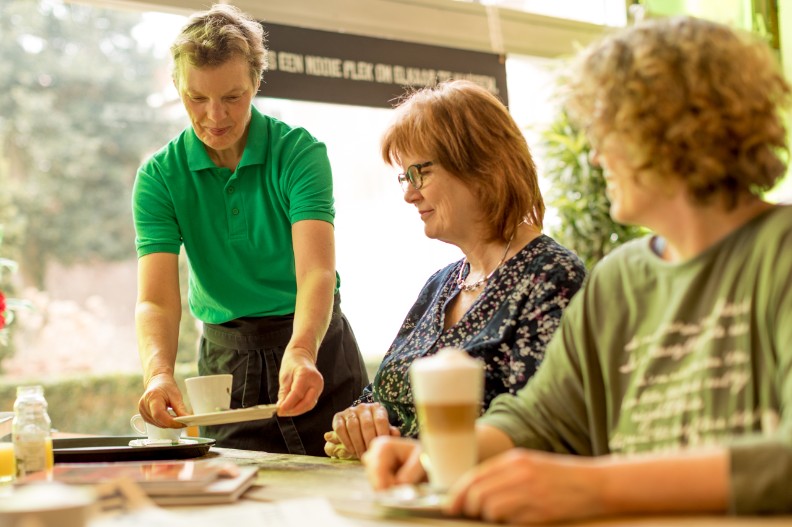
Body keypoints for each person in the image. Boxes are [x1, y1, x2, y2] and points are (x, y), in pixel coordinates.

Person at [363, 16, 792, 523]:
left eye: (611, 131)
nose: (595, 154)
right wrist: (437, 456)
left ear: (678, 129)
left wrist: (599, 488)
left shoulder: (778, 253)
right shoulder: (620, 279)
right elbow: (541, 416)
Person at [132, 4, 367, 456]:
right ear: (178, 87)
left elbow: (316, 272)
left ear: (256, 83)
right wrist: (158, 373)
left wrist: (301, 350)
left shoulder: (298, 154)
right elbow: (156, 299)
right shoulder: (160, 177)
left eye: (233, 97)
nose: (215, 116)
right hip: (228, 361)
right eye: (196, 99)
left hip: (316, 345)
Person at [324, 80, 586, 460]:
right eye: (405, 177)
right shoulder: (441, 284)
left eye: (419, 173)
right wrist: (361, 419)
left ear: (480, 165)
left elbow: (541, 427)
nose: (409, 194)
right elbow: (376, 398)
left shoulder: (552, 276)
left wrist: (406, 448)